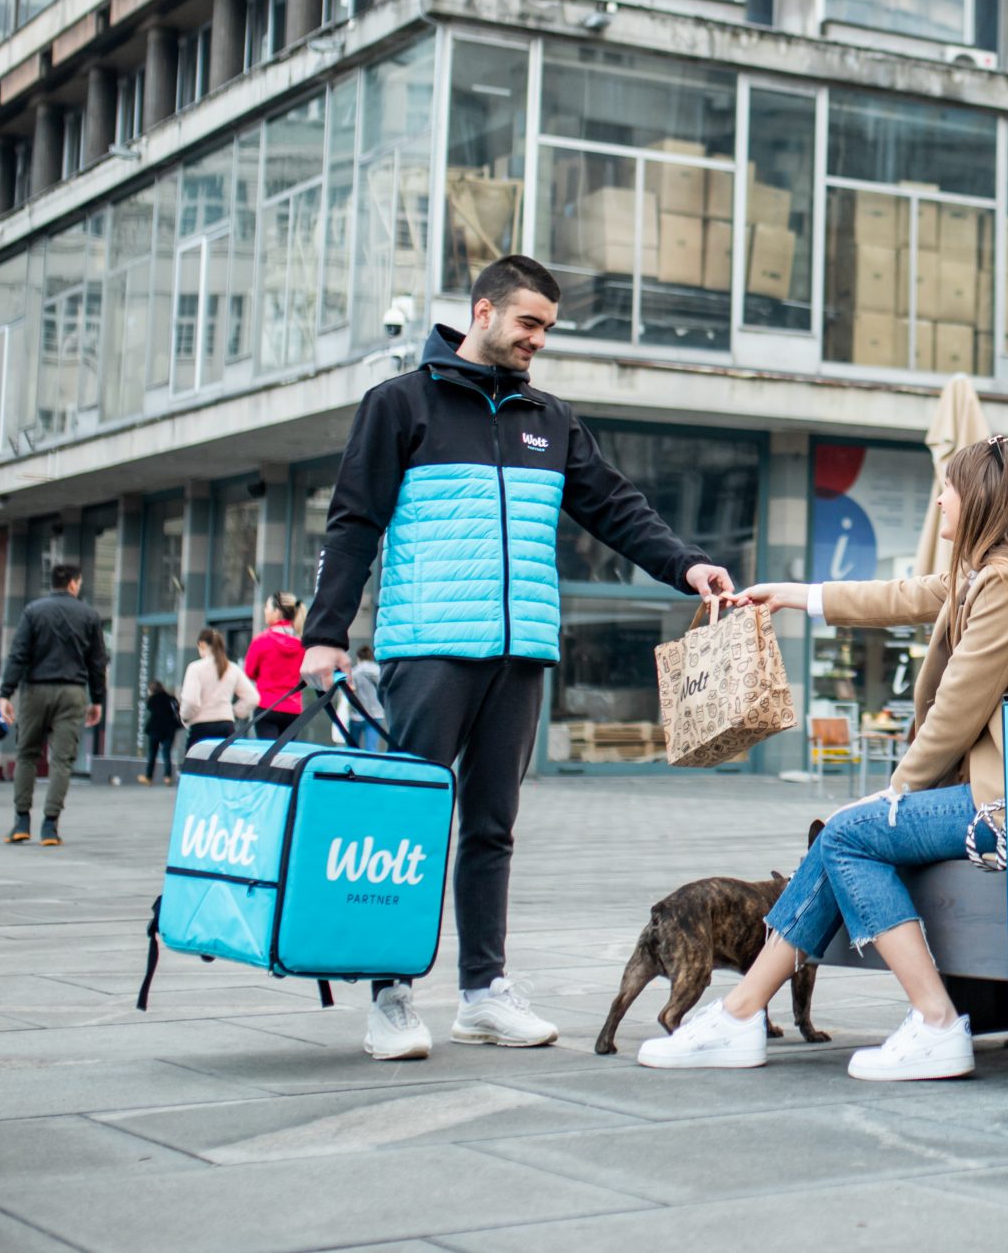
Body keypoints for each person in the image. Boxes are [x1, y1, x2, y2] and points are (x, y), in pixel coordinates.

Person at [300, 256, 734, 1062]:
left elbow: (614, 506)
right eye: (529, 323)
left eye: (548, 328)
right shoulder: (400, 404)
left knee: (492, 828)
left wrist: (686, 564)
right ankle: (391, 994)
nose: (538, 339)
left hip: (521, 650)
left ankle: (481, 992)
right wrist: (323, 633)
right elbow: (352, 523)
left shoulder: (551, 418)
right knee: (411, 823)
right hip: (429, 645)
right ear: (484, 310)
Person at [639, 437, 1008, 1079]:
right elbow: (898, 596)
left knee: (851, 835)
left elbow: (959, 704)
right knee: (842, 839)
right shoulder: (987, 574)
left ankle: (936, 1024)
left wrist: (897, 791)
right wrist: (792, 595)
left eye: (948, 486)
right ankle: (741, 1014)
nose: (939, 498)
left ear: (979, 499)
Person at [0, 562, 109, 847]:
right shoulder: (89, 615)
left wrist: (5, 693)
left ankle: (21, 821)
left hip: (34, 690)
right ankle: (50, 826)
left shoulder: (33, 611)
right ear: (73, 583)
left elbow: (18, 654)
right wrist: (97, 699)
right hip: (72, 692)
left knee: (26, 755)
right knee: (62, 760)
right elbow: (97, 662)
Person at [178, 629, 257, 750]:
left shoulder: (195, 668)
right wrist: (234, 712)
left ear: (202, 644)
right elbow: (252, 698)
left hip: (201, 727)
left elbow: (191, 701)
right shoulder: (232, 668)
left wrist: (185, 716)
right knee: (221, 767)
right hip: (226, 725)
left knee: (196, 767)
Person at [244, 594, 307, 740]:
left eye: (267, 607)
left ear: (277, 611)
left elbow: (249, 671)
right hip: (293, 709)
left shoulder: (262, 640)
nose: (265, 611)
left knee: (268, 758)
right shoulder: (302, 644)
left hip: (267, 707)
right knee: (287, 758)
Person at [140, 673, 182, 784]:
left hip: (155, 729)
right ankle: (167, 777)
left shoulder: (152, 699)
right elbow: (177, 709)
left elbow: (150, 708)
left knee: (152, 753)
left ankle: (148, 777)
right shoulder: (170, 698)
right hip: (169, 729)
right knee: (166, 753)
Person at [348, 644, 389, 753]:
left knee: (352, 749)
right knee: (372, 749)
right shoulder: (379, 671)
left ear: (358, 657)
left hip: (357, 714)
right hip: (376, 714)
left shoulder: (354, 672)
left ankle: (352, 769)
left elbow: (350, 690)